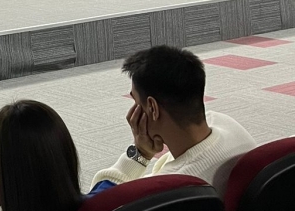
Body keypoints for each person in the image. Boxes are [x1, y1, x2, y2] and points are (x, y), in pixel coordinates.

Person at [90, 45, 255, 196]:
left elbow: (98, 204)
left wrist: (139, 154)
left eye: (136, 102)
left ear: (152, 108)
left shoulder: (166, 189)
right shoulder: (227, 124)